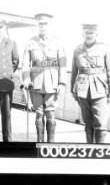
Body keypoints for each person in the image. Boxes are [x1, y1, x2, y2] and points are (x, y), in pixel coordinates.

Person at [21, 13, 67, 142]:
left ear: (50, 25)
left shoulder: (58, 42)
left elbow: (63, 64)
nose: (42, 27)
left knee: (51, 113)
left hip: (52, 83)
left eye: (45, 24)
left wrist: (62, 83)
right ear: (37, 25)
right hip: (36, 83)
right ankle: (40, 143)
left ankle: (50, 144)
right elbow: (25, 64)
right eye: (40, 24)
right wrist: (26, 79)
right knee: (39, 114)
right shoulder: (31, 42)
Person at [70, 23, 110, 144]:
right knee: (87, 122)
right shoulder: (77, 50)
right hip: (82, 89)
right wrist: (73, 90)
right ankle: (90, 148)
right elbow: (74, 71)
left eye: (91, 33)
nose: (89, 35)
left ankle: (99, 150)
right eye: (86, 33)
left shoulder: (105, 48)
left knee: (100, 123)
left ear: (96, 34)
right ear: (82, 34)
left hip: (100, 89)